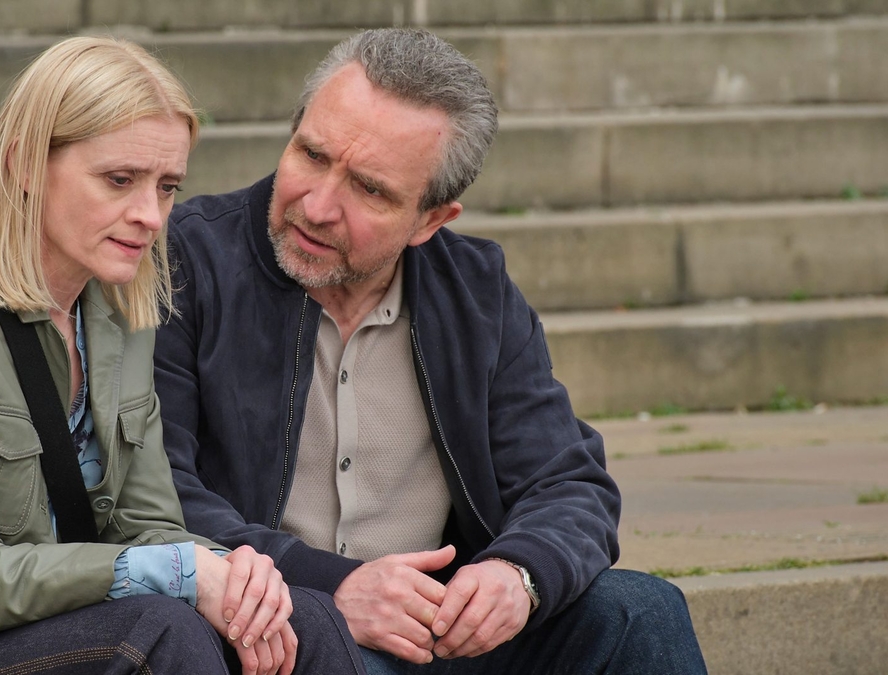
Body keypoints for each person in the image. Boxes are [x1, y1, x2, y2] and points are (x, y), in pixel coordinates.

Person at [0, 36, 366, 675]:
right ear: (25, 165)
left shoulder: (117, 313)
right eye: (119, 180)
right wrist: (183, 574)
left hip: (38, 620)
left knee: (305, 615)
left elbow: (150, 529)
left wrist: (238, 576)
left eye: (166, 187)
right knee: (160, 634)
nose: (151, 216)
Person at [154, 28, 708, 674]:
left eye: (370, 189)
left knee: (640, 610)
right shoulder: (188, 262)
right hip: (275, 626)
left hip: (437, 635)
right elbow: (158, 493)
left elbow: (568, 480)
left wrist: (516, 573)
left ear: (431, 221)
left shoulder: (476, 292)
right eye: (311, 154)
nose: (318, 204)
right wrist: (331, 586)